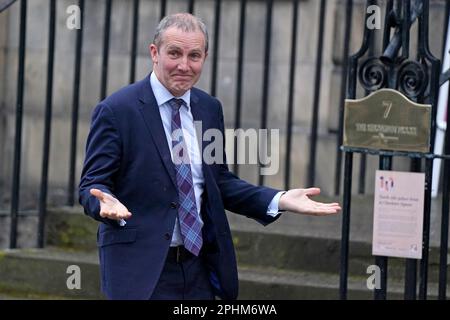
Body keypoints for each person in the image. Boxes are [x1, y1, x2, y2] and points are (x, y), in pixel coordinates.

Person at [79, 13, 341, 300]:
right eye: (175, 53)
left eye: (194, 56)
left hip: (198, 268)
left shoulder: (208, 107)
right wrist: (102, 200)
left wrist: (279, 199)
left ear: (205, 57)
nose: (184, 65)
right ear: (154, 52)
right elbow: (92, 184)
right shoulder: (117, 110)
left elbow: (219, 182)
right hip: (140, 270)